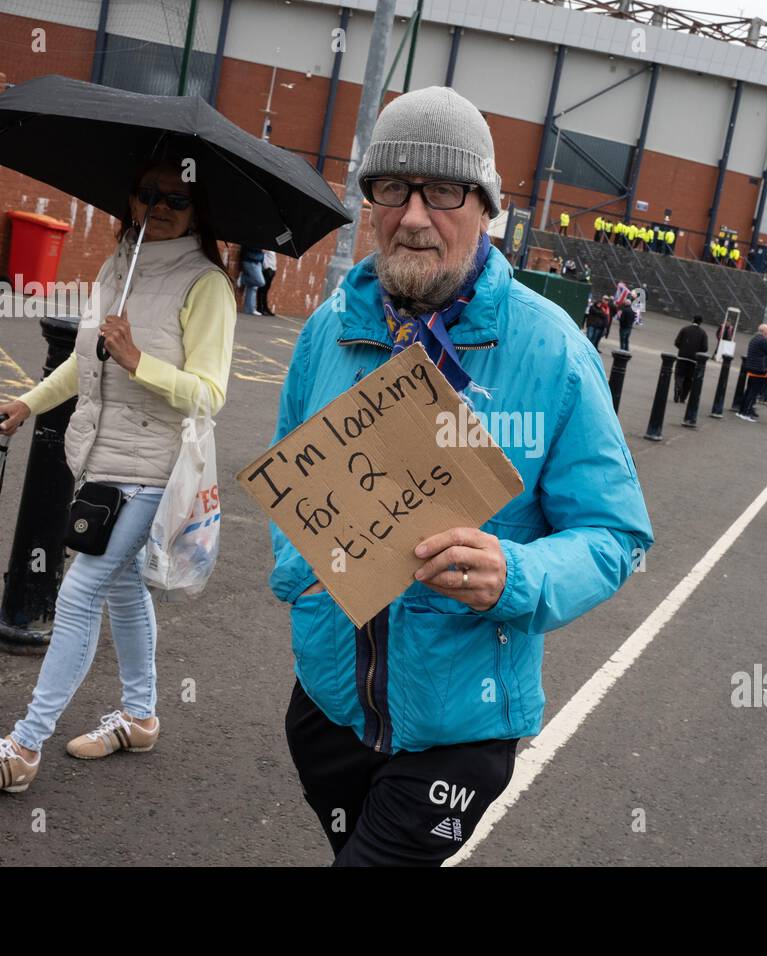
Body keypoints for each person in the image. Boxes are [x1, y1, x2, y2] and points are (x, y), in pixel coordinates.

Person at [271, 86, 654, 866]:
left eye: (444, 191)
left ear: (486, 206)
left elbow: (617, 535)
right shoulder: (327, 332)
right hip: (327, 705)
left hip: (460, 729)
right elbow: (288, 478)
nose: (414, 216)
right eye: (391, 188)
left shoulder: (551, 352)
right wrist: (300, 574)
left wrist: (517, 571)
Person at [0, 147, 238, 794]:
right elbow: (86, 363)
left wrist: (139, 361)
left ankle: (23, 749)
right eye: (146, 194)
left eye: (175, 199)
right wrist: (28, 402)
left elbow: (210, 395)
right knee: (124, 589)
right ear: (129, 199)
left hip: (157, 471)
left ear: (198, 212)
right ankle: (140, 717)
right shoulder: (116, 266)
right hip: (102, 460)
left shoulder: (206, 285)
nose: (157, 208)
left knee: (79, 591)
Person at [736, 322, 767, 422]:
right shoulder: (763, 340)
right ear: (765, 332)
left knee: (748, 390)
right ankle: (746, 413)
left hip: (751, 368)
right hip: (759, 369)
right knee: (753, 392)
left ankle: (741, 411)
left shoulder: (754, 338)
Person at [673, 314, 710, 402]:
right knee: (689, 378)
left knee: (679, 375)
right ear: (701, 322)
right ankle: (683, 397)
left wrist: (683, 348)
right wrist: (697, 351)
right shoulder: (703, 333)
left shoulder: (685, 329)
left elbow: (677, 342)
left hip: (682, 357)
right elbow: (705, 348)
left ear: (692, 320)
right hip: (694, 360)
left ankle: (678, 387)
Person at [238, 243, 266, 315]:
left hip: (258, 262)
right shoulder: (250, 239)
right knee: (260, 282)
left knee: (252, 287)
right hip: (250, 261)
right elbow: (245, 250)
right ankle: (243, 279)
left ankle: (250, 309)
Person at [259, 248, 277, 316]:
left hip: (273, 269)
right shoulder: (266, 248)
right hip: (268, 269)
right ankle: (260, 307)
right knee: (262, 289)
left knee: (266, 290)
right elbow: (262, 253)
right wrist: (266, 267)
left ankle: (265, 307)